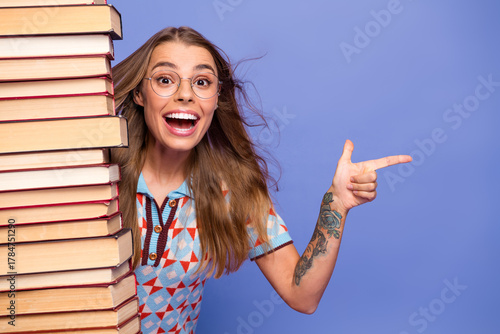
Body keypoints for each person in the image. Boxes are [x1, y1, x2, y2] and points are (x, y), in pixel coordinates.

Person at [111, 26, 412, 334]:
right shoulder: (98, 178)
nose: (185, 94)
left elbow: (302, 296)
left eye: (202, 82)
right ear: (139, 93)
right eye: (165, 80)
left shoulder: (233, 193)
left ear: (216, 100)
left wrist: (336, 204)